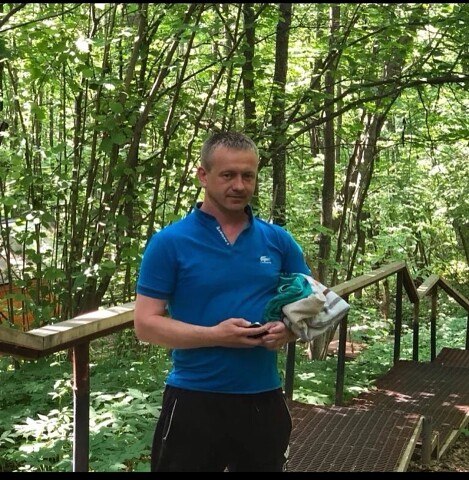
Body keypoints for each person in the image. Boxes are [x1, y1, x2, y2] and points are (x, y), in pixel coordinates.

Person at [134, 131, 311, 472]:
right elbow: (146, 324)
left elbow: (313, 304)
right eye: (228, 175)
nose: (239, 186)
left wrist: (287, 330)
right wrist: (216, 335)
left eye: (248, 176)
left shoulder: (278, 240)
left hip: (261, 398)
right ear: (203, 175)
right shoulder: (170, 242)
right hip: (193, 398)